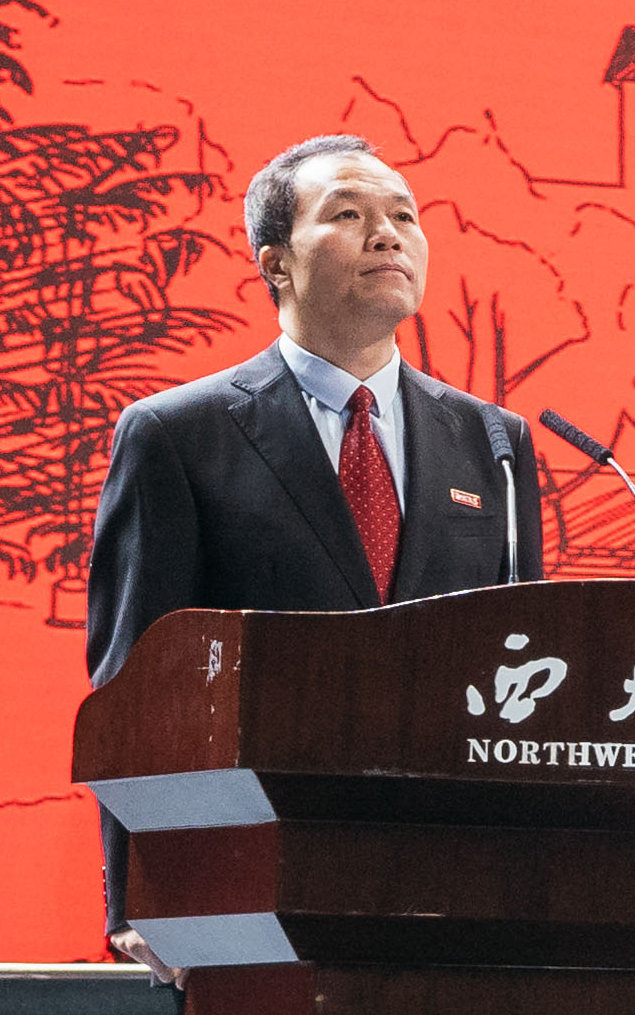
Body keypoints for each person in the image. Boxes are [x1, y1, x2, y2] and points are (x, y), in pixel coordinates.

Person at [83, 135, 551, 666]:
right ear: (276, 264)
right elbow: (137, 675)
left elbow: (523, 652)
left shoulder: (493, 440)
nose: (387, 236)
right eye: (348, 214)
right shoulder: (178, 435)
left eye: (403, 216)